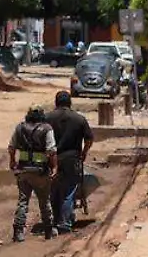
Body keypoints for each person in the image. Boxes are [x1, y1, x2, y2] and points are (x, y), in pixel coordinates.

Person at [7, 105, 59, 242]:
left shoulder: (20, 127)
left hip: (23, 169)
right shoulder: (47, 129)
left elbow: (11, 147)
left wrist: (12, 161)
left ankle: (18, 232)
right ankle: (48, 231)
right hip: (40, 171)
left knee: (23, 201)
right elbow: (51, 150)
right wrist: (54, 167)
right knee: (44, 201)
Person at [47, 91, 94, 233]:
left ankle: (55, 221)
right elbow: (89, 139)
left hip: (51, 159)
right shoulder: (79, 119)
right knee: (68, 191)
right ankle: (65, 223)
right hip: (72, 159)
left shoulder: (47, 118)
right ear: (70, 103)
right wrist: (84, 153)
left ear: (56, 102)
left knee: (53, 191)